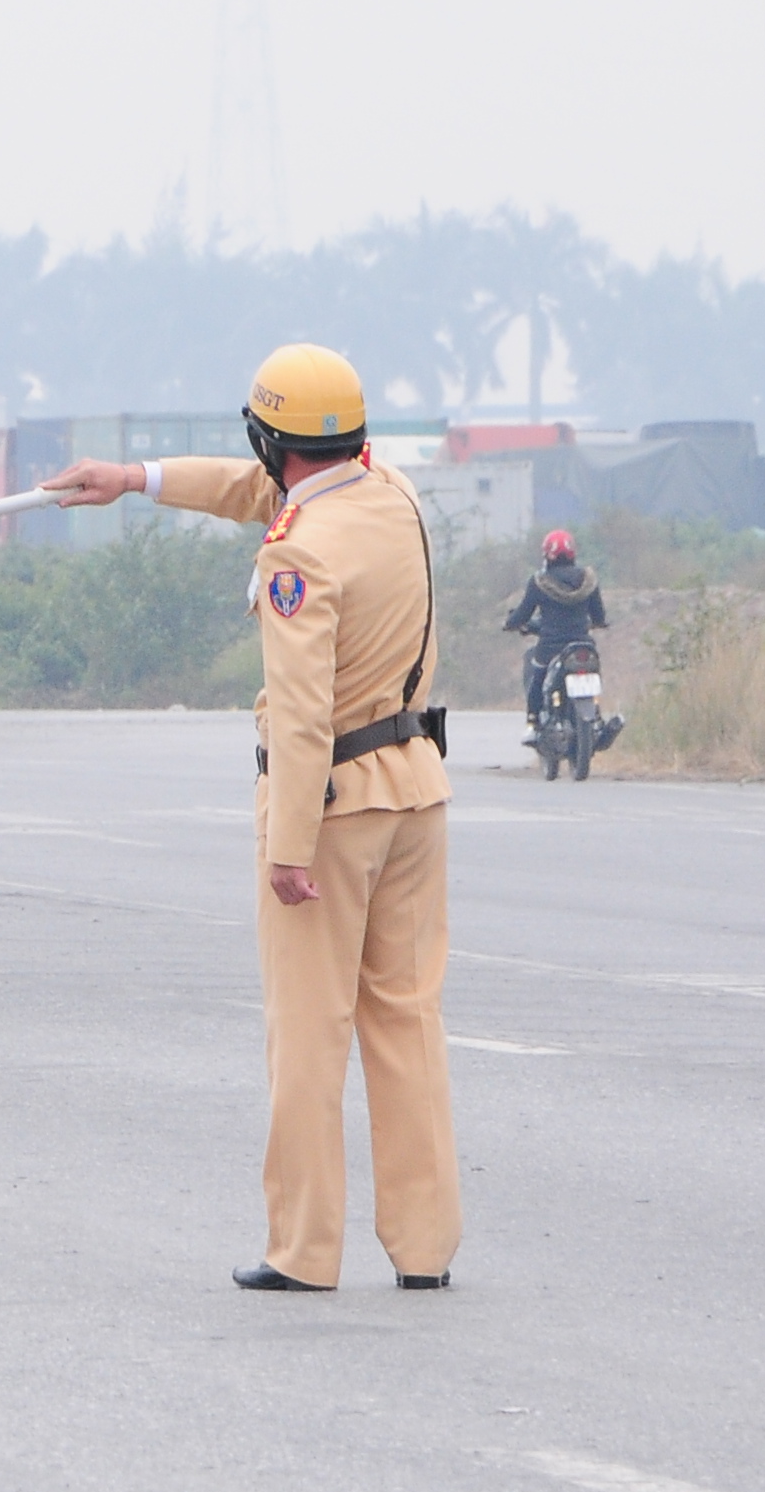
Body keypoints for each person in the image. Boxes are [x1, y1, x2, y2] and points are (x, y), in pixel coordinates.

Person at [42, 345, 458, 1295]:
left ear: (269, 438)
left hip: (335, 806)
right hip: (416, 790)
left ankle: (304, 1250)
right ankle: (425, 1245)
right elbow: (256, 489)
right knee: (406, 1022)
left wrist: (289, 848)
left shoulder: (299, 552)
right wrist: (135, 480)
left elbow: (302, 711)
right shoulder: (390, 496)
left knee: (308, 1031)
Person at [500, 528, 612, 736]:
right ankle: (596, 717)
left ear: (546, 554)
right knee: (593, 672)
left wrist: (510, 622)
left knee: (536, 676)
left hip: (550, 647)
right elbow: (599, 616)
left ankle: (533, 722)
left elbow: (523, 615)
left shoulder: (539, 582)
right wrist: (599, 623)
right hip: (582, 645)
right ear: (573, 553)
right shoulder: (589, 580)